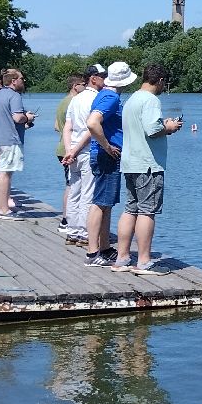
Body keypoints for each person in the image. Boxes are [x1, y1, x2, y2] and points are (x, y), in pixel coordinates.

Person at [113, 65, 183, 274]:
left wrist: (162, 124)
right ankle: (144, 261)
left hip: (130, 163)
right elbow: (152, 130)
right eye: (164, 83)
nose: (164, 86)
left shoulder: (132, 99)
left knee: (130, 209)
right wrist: (169, 127)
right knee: (147, 211)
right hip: (148, 164)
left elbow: (143, 126)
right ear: (160, 80)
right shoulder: (151, 100)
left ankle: (122, 258)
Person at [84, 62, 135, 267]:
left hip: (107, 156)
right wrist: (107, 146)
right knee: (99, 202)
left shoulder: (105, 95)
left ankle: (104, 248)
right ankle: (92, 252)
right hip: (106, 156)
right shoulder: (111, 98)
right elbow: (92, 122)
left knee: (106, 203)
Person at [62, 65, 108, 246]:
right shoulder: (97, 99)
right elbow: (92, 128)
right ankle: (84, 232)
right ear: (93, 78)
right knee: (88, 192)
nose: (106, 79)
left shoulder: (76, 99)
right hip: (87, 150)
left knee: (74, 191)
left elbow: (68, 127)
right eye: (103, 76)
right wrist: (74, 150)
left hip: (73, 151)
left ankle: (72, 231)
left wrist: (69, 150)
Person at [0, 68, 36, 220]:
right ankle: (4, 210)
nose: (23, 81)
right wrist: (27, 117)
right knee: (5, 174)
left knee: (2, 172)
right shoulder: (15, 96)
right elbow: (17, 118)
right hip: (10, 140)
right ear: (14, 81)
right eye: (21, 78)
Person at [55, 73, 85, 237]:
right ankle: (66, 220)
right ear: (75, 86)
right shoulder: (73, 102)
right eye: (83, 84)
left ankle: (69, 219)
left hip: (63, 146)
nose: (85, 87)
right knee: (72, 185)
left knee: (71, 184)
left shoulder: (63, 101)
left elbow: (56, 126)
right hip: (70, 149)